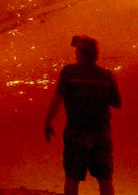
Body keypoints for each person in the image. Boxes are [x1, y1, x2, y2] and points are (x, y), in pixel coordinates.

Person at [44, 35, 122, 195]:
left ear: (80, 53)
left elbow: (57, 99)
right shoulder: (107, 76)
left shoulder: (69, 72)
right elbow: (117, 103)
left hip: (76, 132)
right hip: (101, 133)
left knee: (72, 178)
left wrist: (48, 121)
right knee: (105, 179)